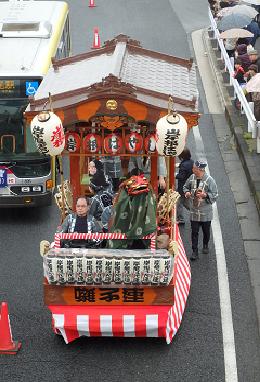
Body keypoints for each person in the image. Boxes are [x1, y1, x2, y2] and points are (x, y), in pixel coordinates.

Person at [183, 159, 218, 261]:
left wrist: (205, 195)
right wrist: (187, 193)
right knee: (194, 232)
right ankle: (195, 251)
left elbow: (215, 194)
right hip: (194, 211)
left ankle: (205, 244)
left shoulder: (210, 180)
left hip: (205, 212)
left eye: (194, 168)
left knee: (206, 231)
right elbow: (185, 187)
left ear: (199, 169)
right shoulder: (192, 177)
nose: (192, 169)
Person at [176, 148, 194, 224]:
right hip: (190, 186)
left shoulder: (183, 165)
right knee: (185, 202)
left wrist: (175, 175)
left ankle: (181, 219)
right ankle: (197, 214)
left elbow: (181, 176)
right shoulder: (191, 161)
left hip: (182, 187)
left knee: (179, 202)